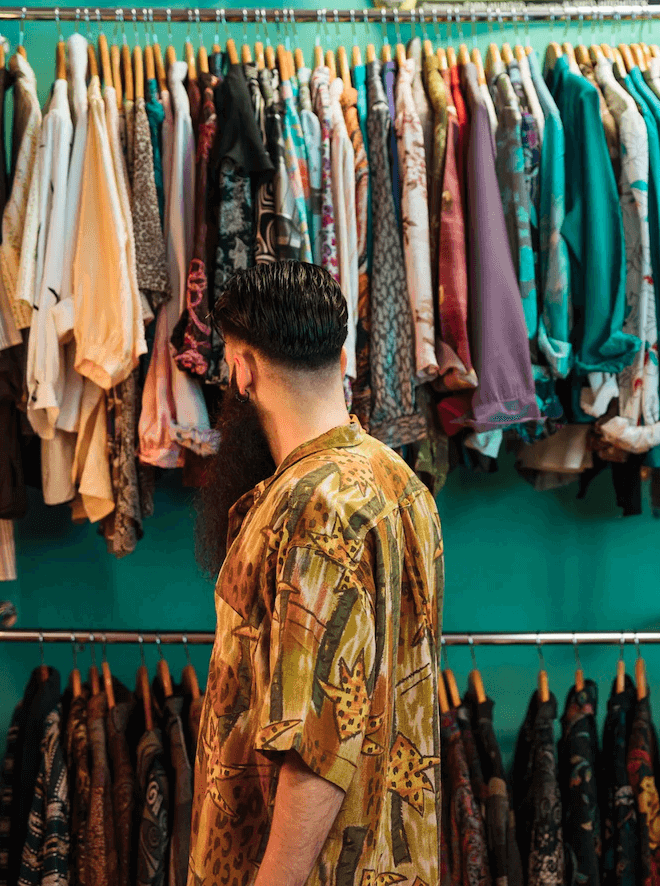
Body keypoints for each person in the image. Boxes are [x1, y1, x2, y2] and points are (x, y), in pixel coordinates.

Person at [188, 260, 442, 886]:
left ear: (242, 369)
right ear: (340, 357)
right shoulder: (401, 482)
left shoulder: (312, 506)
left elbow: (315, 749)